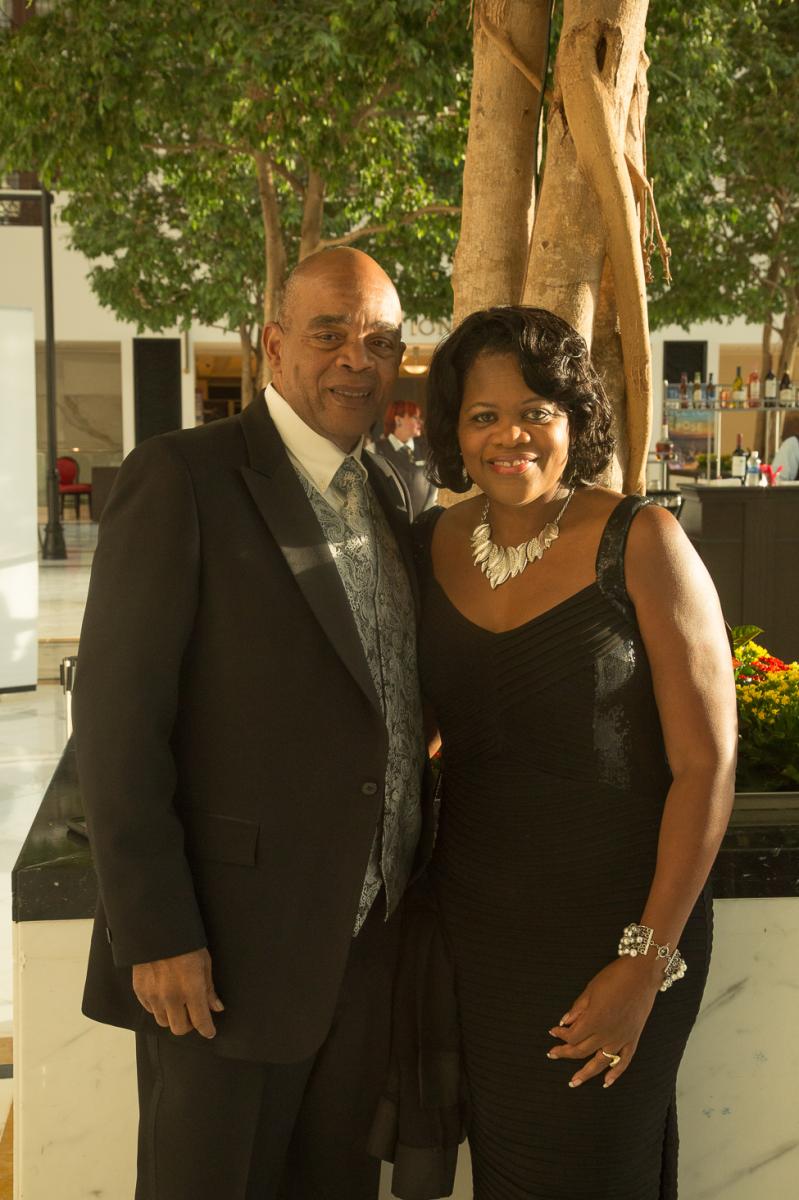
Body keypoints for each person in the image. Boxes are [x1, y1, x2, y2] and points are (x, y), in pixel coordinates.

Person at [73, 247, 432, 1200]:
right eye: (329, 334)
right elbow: (115, 724)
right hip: (221, 956)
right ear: (274, 346)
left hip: (368, 947)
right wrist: (156, 932)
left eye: (380, 342)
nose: (356, 359)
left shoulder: (396, 489)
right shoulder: (182, 479)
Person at [383, 307, 737, 1199]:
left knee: (594, 1168)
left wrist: (643, 964)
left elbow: (706, 768)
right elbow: (426, 725)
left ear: (574, 420)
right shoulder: (430, 544)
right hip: (476, 932)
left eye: (535, 411)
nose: (510, 435)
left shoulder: (642, 541)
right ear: (454, 431)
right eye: (483, 415)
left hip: (618, 929)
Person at [375, 400, 438, 518]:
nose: (420, 422)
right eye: (415, 417)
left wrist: (425, 519)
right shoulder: (374, 450)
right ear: (398, 420)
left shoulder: (426, 451)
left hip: (423, 522)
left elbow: (432, 492)